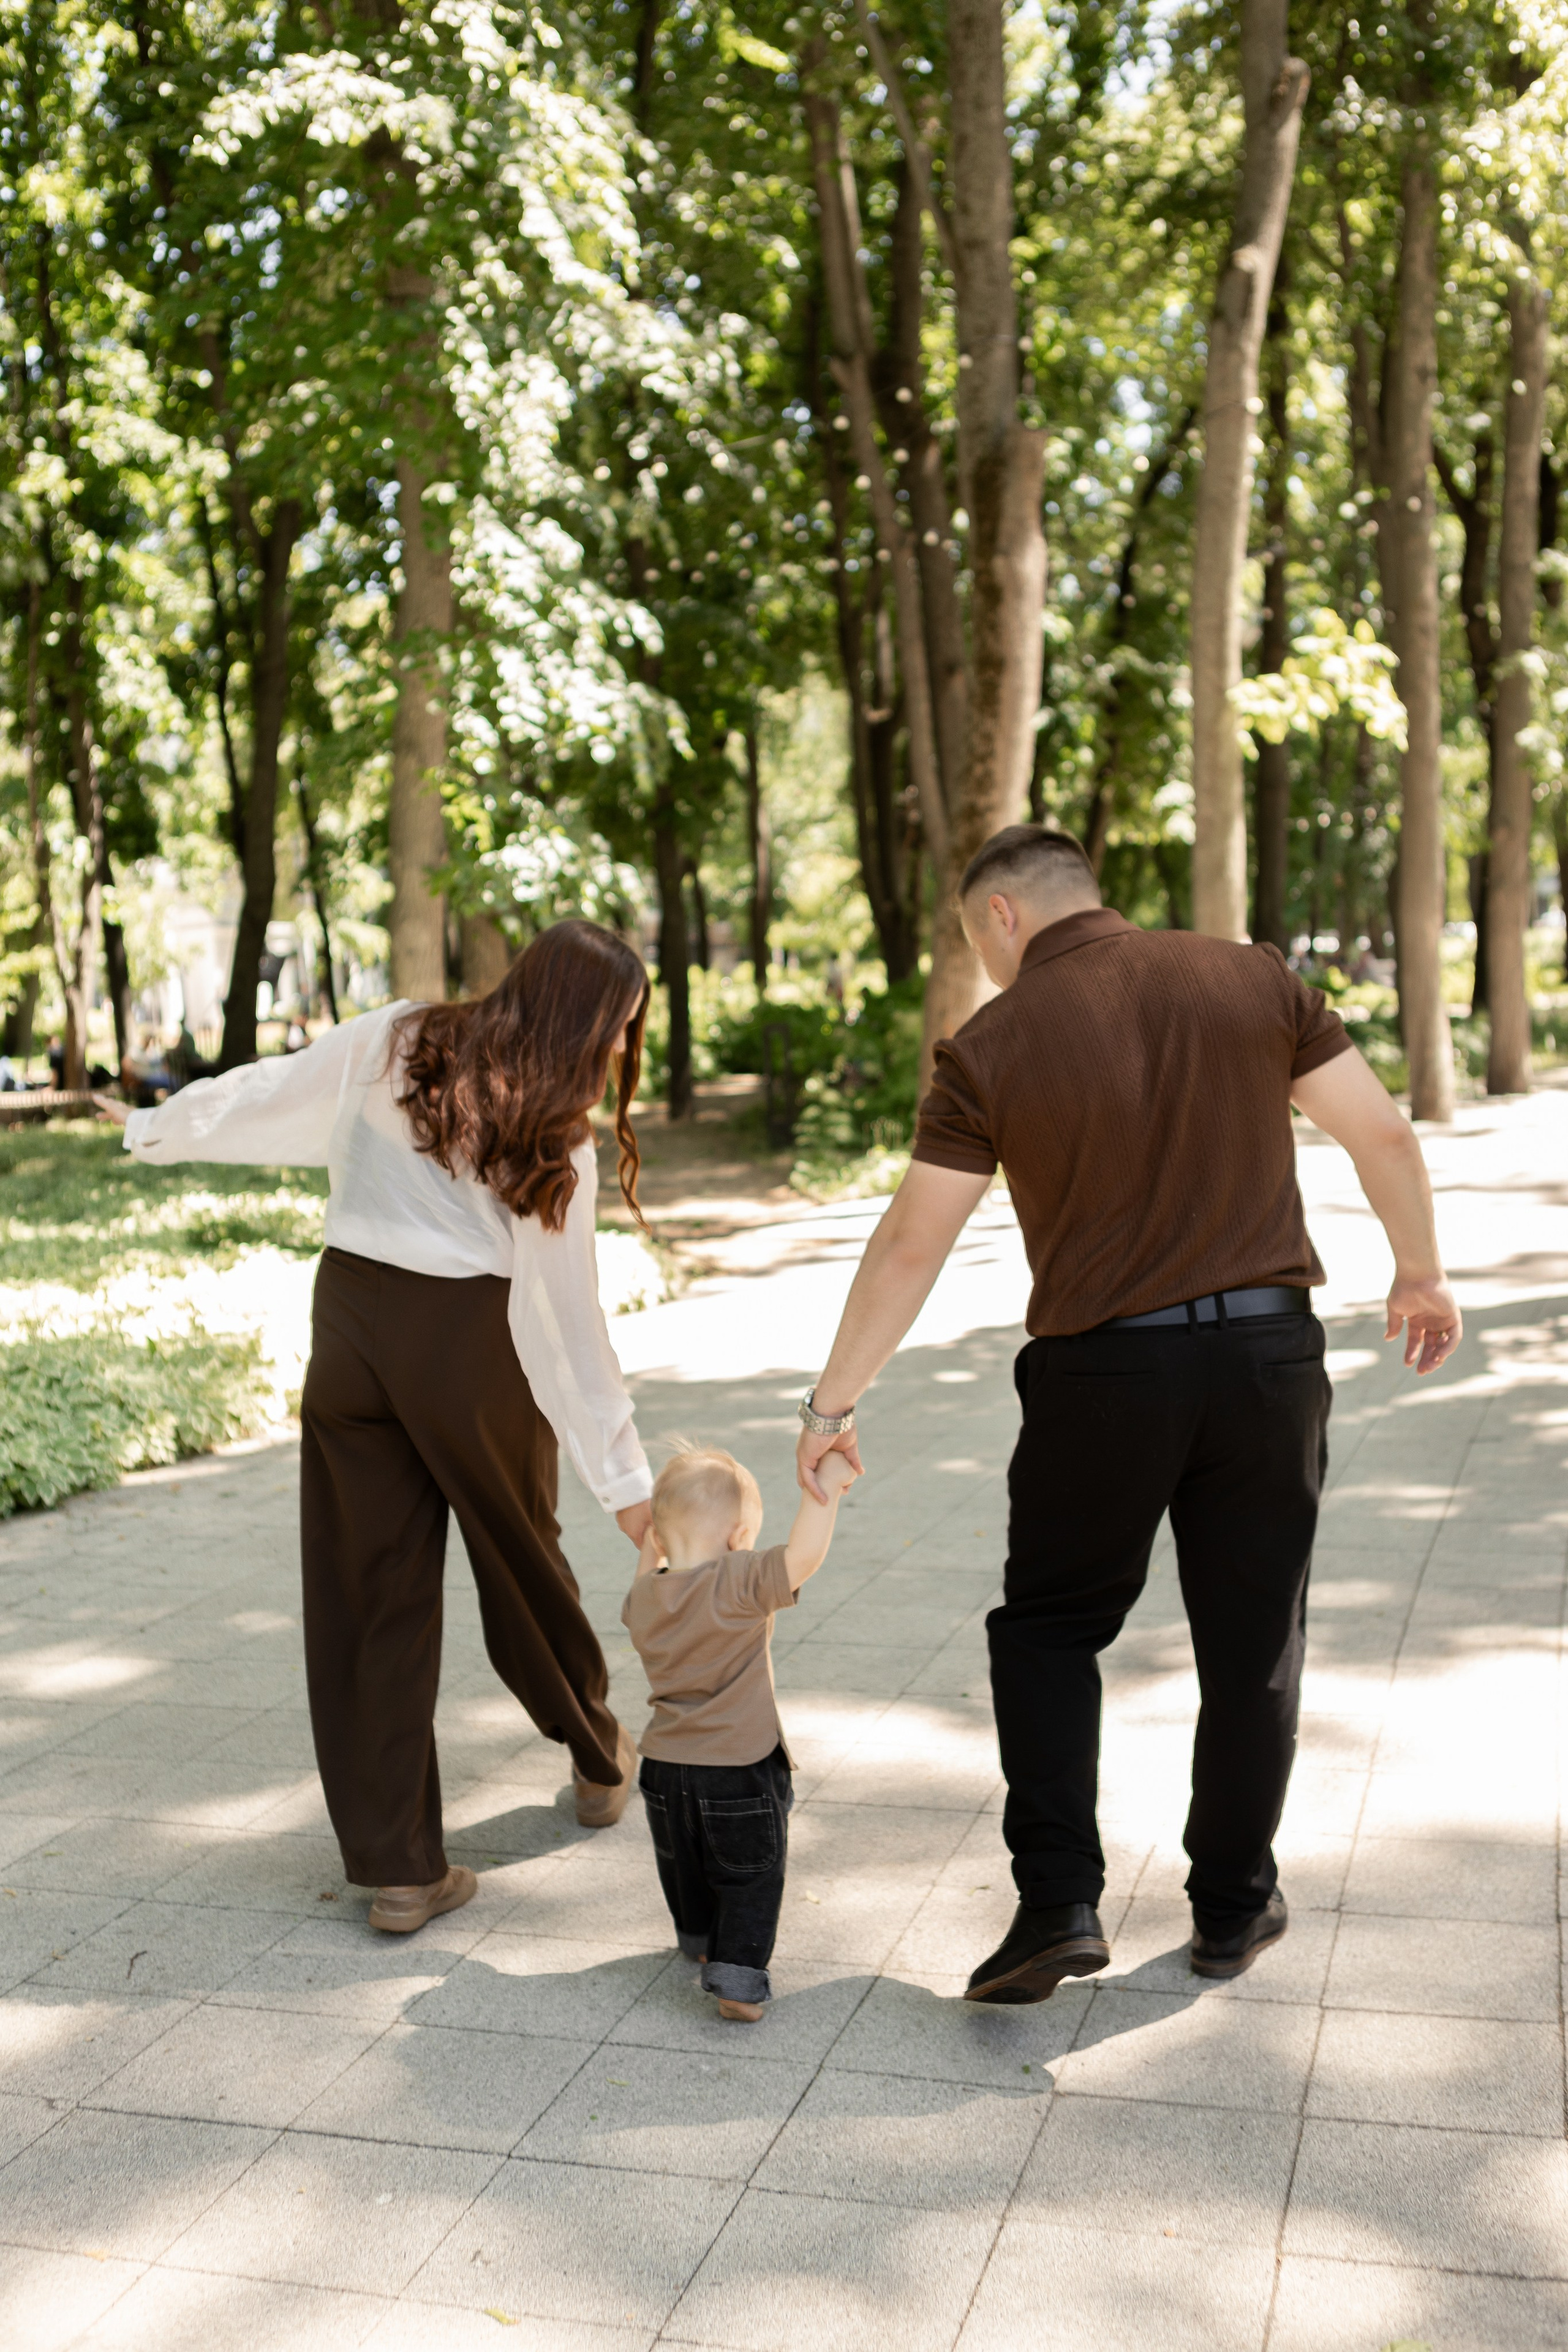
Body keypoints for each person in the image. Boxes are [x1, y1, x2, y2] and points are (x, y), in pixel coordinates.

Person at [794, 826, 1461, 2004]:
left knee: (1050, 1631)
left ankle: (1057, 1904)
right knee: (1253, 1643)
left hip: (1102, 1378)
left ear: (1002, 916)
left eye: (975, 940)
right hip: (1268, 1357)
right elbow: (1384, 1133)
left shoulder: (991, 1046)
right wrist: (1420, 1271)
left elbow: (911, 1243)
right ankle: (1231, 1909)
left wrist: (831, 1403)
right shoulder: (1254, 977)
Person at [95, 920, 656, 1935]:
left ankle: (401, 1871)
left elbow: (278, 1087)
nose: (620, 1049)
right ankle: (597, 1753)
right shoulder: (552, 1124)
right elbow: (570, 1317)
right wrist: (624, 1478)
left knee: (367, 1590)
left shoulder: (404, 1038)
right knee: (523, 1559)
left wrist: (160, 1125)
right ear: (585, 1019)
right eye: (620, 1026)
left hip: (349, 1325)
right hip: (469, 1346)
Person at [624, 1442, 854, 2021]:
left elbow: (652, 1557)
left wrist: (655, 1540)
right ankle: (739, 1986)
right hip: (739, 1771)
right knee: (750, 1879)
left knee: (684, 1864)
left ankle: (700, 1945)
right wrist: (822, 1491)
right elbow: (804, 1555)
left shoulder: (643, 1597)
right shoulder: (740, 1579)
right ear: (739, 1536)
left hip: (663, 1771)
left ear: (656, 1536)